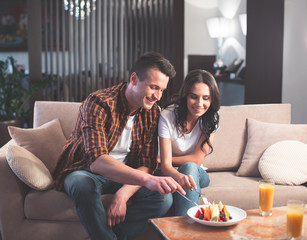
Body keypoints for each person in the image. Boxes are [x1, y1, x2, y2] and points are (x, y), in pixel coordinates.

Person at [52, 52, 185, 240]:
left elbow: (146, 162)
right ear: (134, 79)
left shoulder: (153, 112)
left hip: (123, 173)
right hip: (84, 170)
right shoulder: (98, 103)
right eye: (153, 87)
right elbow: (97, 162)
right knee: (83, 186)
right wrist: (146, 180)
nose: (157, 96)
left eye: (162, 90)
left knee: (163, 198)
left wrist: (123, 194)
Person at [158, 69, 220, 216]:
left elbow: (197, 159)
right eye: (194, 97)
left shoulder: (212, 118)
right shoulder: (167, 116)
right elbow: (166, 167)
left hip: (196, 173)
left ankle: (183, 229)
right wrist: (175, 172)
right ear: (185, 95)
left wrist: (160, 159)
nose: (200, 103)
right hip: (167, 172)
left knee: (190, 167)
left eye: (206, 98)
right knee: (187, 169)